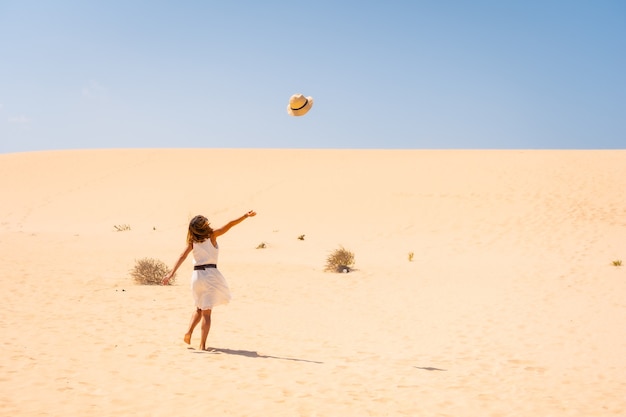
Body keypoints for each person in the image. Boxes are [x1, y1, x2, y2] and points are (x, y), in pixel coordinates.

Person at [162, 210, 256, 350]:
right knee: (207, 312)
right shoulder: (212, 235)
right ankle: (202, 345)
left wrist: (170, 274)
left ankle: (189, 331)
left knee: (199, 308)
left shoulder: (192, 242)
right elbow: (230, 224)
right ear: (203, 226)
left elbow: (182, 256)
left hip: (196, 276)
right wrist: (245, 216)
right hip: (210, 274)